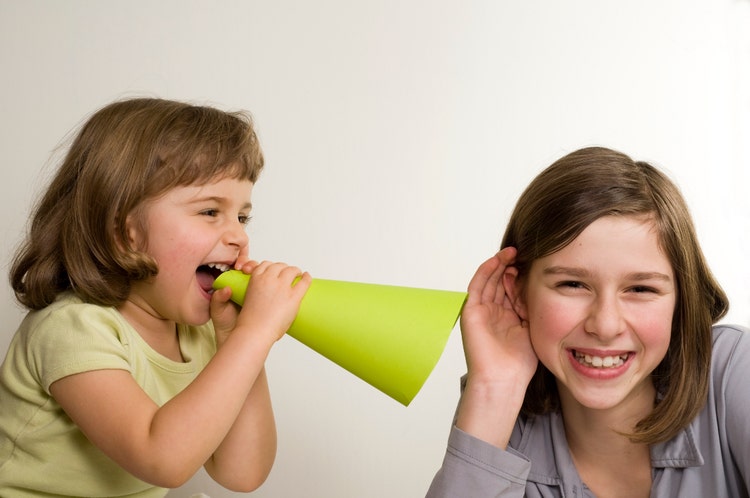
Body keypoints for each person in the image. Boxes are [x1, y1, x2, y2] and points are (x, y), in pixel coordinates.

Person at [0, 97, 311, 496]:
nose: (239, 235)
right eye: (210, 212)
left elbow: (241, 473)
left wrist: (239, 340)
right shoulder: (73, 328)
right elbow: (160, 458)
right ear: (124, 230)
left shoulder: (199, 334)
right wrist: (253, 337)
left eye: (242, 216)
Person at [426, 146, 749, 497]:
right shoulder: (501, 421)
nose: (606, 325)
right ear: (518, 293)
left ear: (680, 299)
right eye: (573, 284)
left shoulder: (732, 370)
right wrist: (493, 388)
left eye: (640, 288)